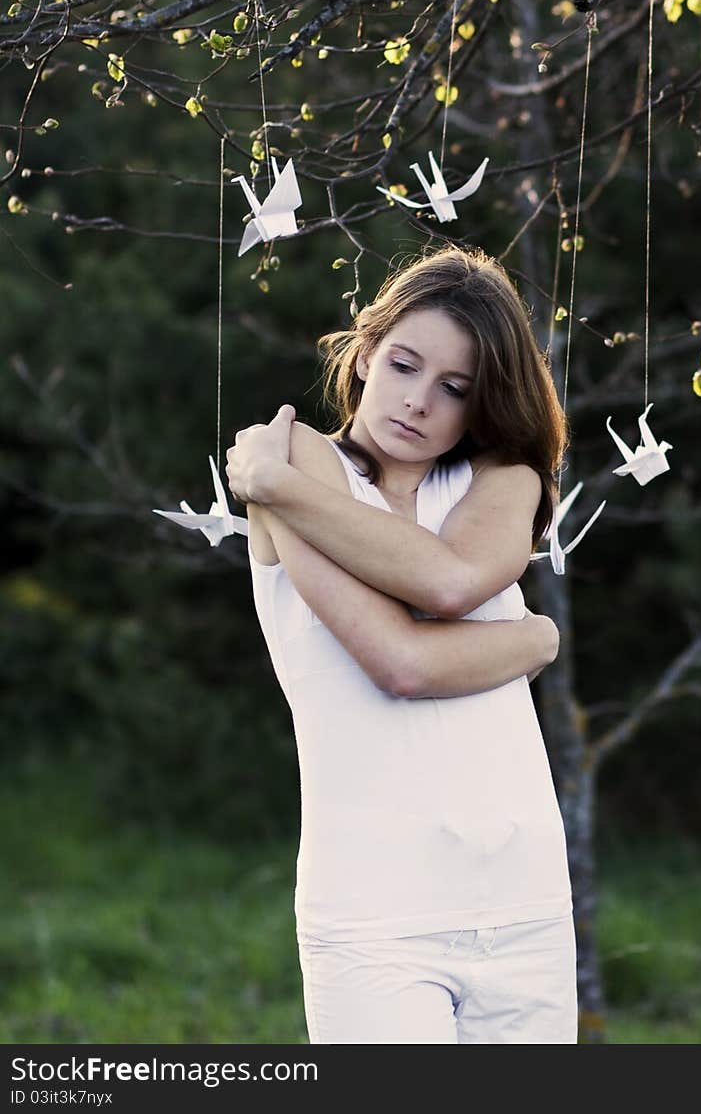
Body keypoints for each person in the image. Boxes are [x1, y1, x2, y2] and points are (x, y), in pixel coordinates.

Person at [226, 243, 577, 1044]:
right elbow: (402, 664)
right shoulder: (308, 459)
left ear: (482, 402)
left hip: (523, 907)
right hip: (375, 916)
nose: (418, 402)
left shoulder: (504, 479)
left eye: (453, 388)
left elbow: (450, 587)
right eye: (404, 364)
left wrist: (273, 488)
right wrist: (528, 642)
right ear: (365, 353)